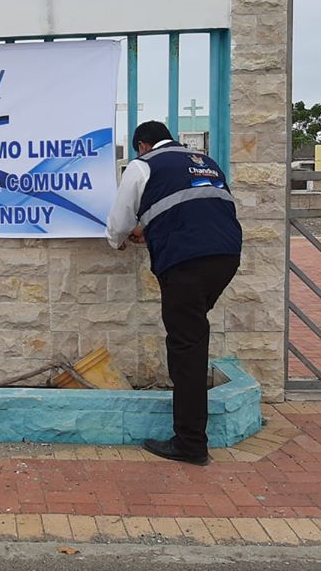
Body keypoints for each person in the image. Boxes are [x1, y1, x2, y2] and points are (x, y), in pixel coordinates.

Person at [106, 121, 241, 466]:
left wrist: (117, 239)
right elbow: (193, 208)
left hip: (185, 262)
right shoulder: (206, 162)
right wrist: (149, 229)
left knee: (186, 348)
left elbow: (120, 219)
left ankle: (190, 443)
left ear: (142, 145)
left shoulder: (143, 165)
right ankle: (190, 436)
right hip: (225, 257)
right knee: (191, 334)